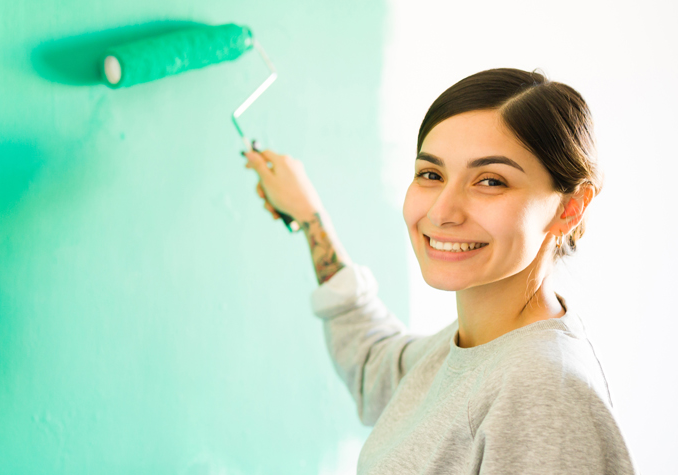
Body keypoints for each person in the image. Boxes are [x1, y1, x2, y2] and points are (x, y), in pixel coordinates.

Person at [245, 68, 634, 474]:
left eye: (490, 181)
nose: (441, 212)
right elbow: (376, 366)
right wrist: (311, 219)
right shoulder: (473, 348)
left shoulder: (544, 391)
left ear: (570, 208)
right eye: (431, 174)